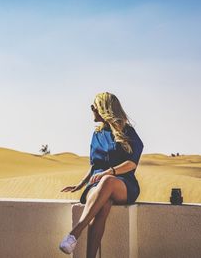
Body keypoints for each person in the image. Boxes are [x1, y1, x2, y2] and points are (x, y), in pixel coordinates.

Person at [59, 92, 144, 257]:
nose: (91, 109)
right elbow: (93, 166)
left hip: (122, 183)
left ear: (103, 108)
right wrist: (80, 184)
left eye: (93, 106)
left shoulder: (127, 132)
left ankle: (74, 234)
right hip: (96, 184)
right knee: (103, 205)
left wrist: (109, 172)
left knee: (107, 181)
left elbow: (132, 163)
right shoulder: (96, 134)